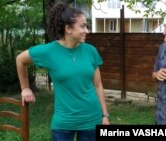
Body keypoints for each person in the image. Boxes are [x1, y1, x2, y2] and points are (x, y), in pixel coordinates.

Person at [16, 2, 109, 141]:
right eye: (82, 26)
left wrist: (105, 116)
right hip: (63, 122)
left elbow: (98, 85)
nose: (87, 31)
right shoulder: (49, 51)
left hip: (91, 119)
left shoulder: (90, 51)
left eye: (86, 26)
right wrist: (25, 88)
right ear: (68, 29)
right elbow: (20, 59)